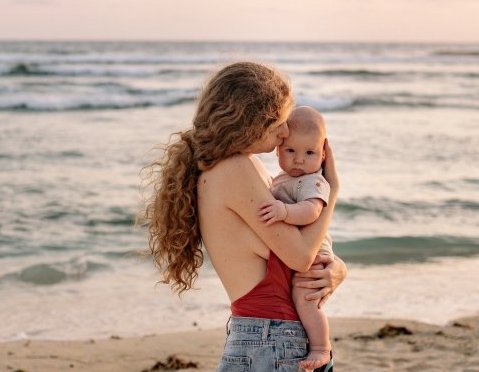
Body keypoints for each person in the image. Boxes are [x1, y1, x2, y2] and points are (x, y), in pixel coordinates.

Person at [139, 61, 347, 372]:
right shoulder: (236, 170)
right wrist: (332, 191)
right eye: (279, 120)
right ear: (251, 121)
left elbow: (297, 251)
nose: (286, 130)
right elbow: (301, 257)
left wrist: (337, 269)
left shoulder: (238, 169)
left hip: (268, 340)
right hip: (273, 340)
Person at [258, 106, 334, 370]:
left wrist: (284, 211)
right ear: (278, 150)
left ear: (323, 155)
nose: (299, 160)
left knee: (306, 297)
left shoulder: (313, 182)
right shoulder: (282, 179)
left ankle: (321, 347)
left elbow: (311, 211)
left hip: (314, 252)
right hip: (300, 248)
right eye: (291, 151)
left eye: (309, 153)